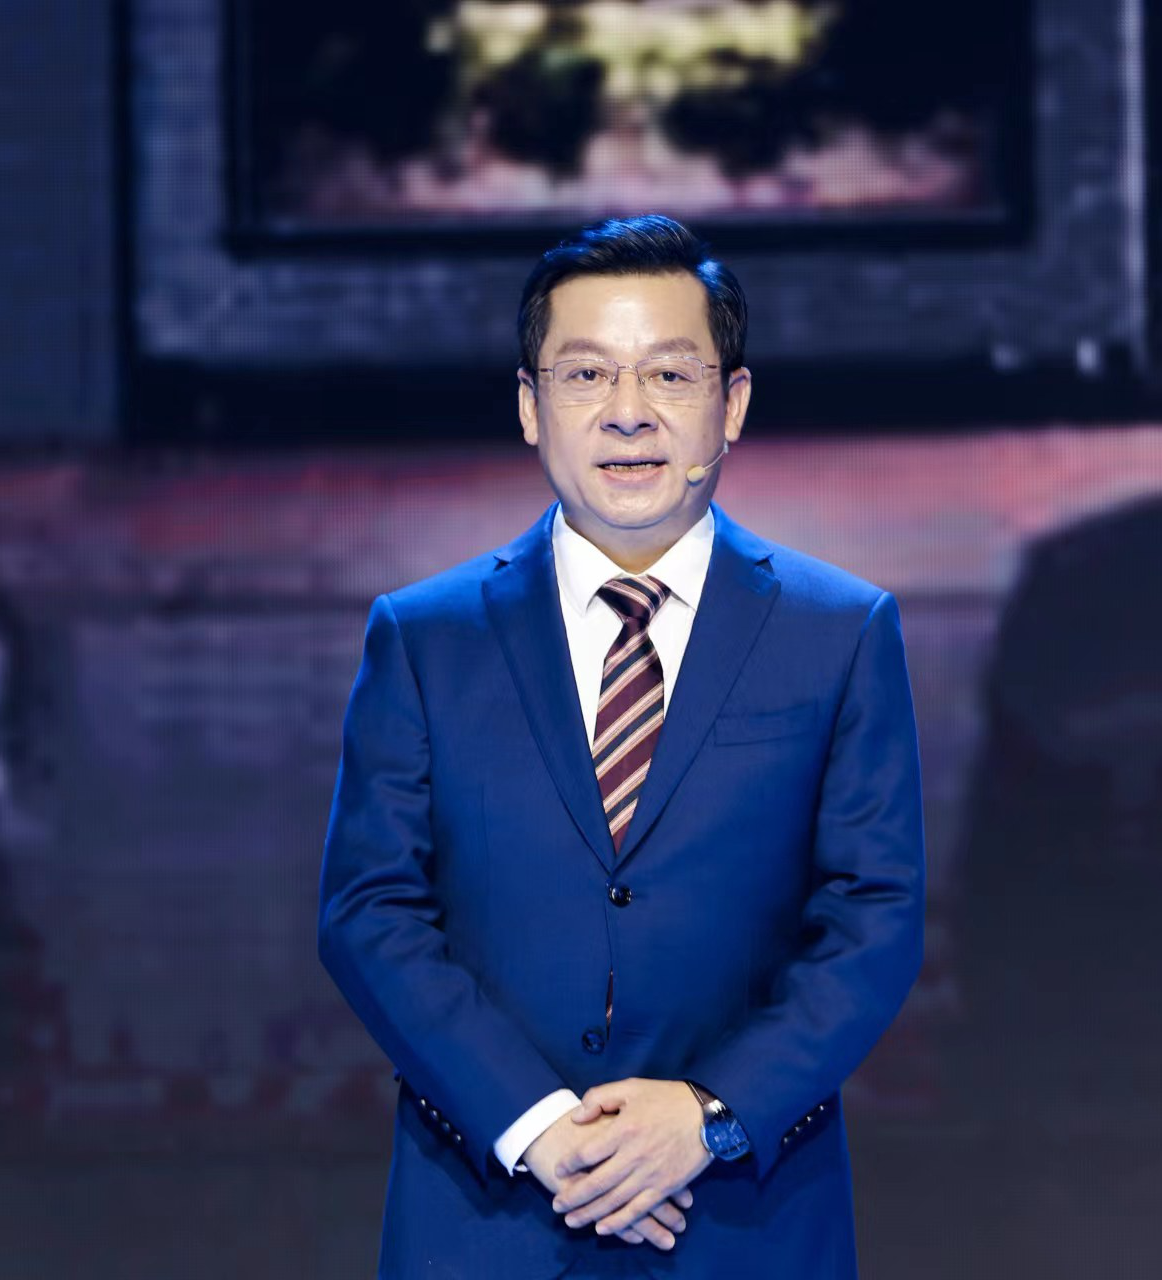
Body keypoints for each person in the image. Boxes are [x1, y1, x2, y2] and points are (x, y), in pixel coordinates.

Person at [317, 214, 925, 1277]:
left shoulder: (839, 630)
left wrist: (709, 1115)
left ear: (733, 403)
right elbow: (371, 912)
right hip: (490, 1220)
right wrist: (542, 1127)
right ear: (529, 405)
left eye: (671, 375)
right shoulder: (424, 637)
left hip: (744, 1221)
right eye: (587, 373)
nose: (629, 412)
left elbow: (873, 918)